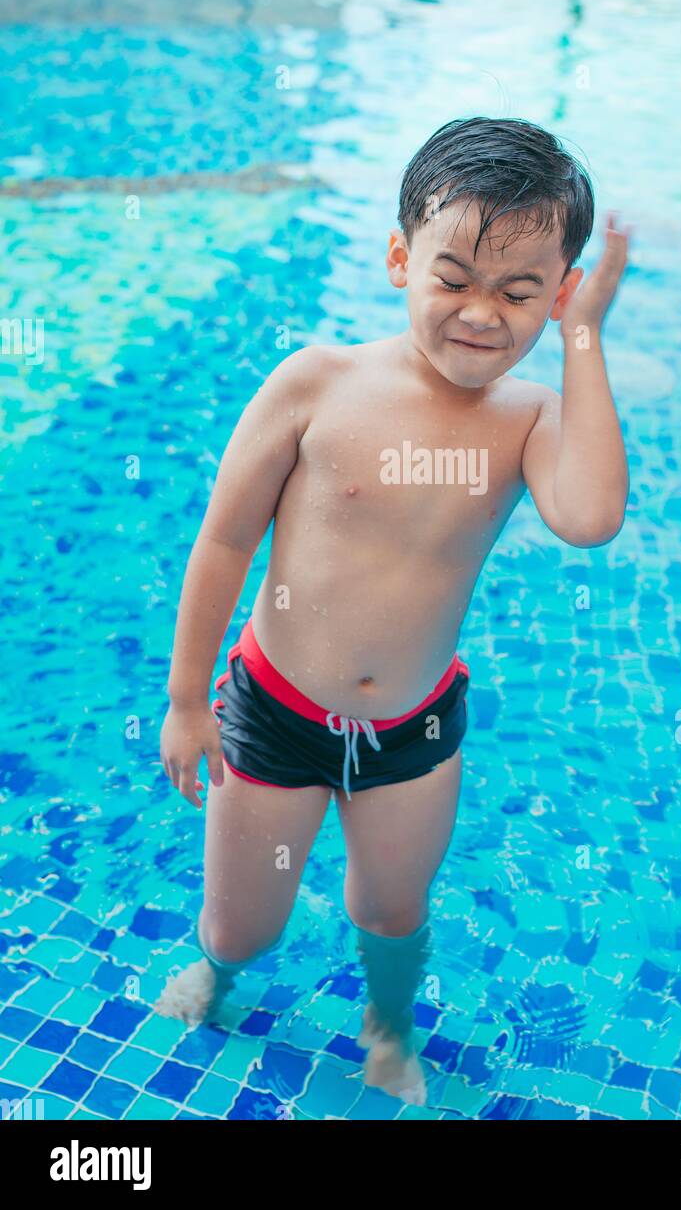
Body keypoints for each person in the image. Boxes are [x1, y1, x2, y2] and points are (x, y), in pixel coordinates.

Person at [154, 116, 629, 1105]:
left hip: (412, 732)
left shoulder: (531, 417)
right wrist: (187, 697)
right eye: (453, 277)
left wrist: (584, 338)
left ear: (560, 292)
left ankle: (387, 1026)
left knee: (391, 906)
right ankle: (219, 969)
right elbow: (225, 541)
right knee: (244, 921)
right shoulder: (316, 383)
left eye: (521, 291)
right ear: (399, 256)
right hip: (276, 712)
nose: (482, 313)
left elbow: (588, 517)